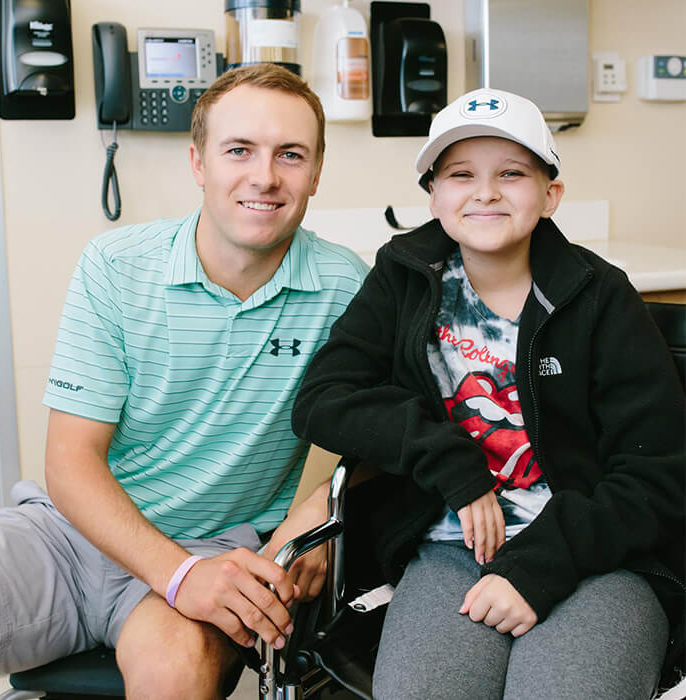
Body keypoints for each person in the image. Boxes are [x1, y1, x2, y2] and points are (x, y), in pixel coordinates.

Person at [0, 63, 369, 699]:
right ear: (198, 162)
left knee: (176, 672)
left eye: (290, 154)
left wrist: (313, 520)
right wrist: (177, 573)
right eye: (238, 150)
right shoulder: (115, 267)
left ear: (317, 171)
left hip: (221, 548)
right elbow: (71, 462)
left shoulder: (345, 289)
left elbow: (395, 436)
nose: (264, 176)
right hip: (67, 536)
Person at [292, 88, 685, 699]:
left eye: (511, 173)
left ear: (550, 194)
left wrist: (538, 568)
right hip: (450, 550)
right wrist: (451, 461)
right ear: (435, 195)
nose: (485, 191)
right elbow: (323, 398)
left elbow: (658, 475)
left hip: (600, 557)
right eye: (460, 174)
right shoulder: (403, 279)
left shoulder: (603, 297)